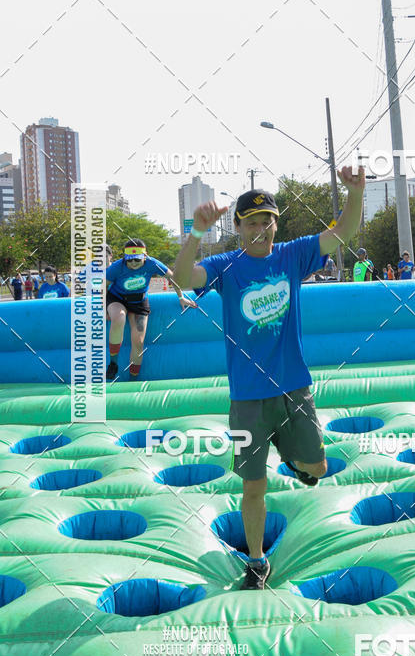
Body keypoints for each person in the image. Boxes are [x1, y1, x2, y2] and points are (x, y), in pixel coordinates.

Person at [173, 171, 365, 590]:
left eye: (268, 220)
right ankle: (257, 561)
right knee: (254, 486)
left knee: (317, 468)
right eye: (252, 222)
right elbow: (183, 278)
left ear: (276, 224)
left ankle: (294, 458)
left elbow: (342, 232)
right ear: (238, 226)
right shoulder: (227, 266)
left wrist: (355, 192)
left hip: (294, 388)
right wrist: (196, 232)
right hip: (249, 400)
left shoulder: (293, 256)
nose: (261, 229)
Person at [105, 238, 197, 381]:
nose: (133, 263)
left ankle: (133, 380)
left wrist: (181, 298)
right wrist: (103, 309)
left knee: (139, 342)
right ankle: (113, 363)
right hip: (117, 298)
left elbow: (173, 278)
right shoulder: (117, 267)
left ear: (145, 256)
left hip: (139, 302)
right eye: (130, 260)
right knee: (119, 317)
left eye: (137, 259)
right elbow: (102, 286)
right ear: (125, 258)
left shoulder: (153, 264)